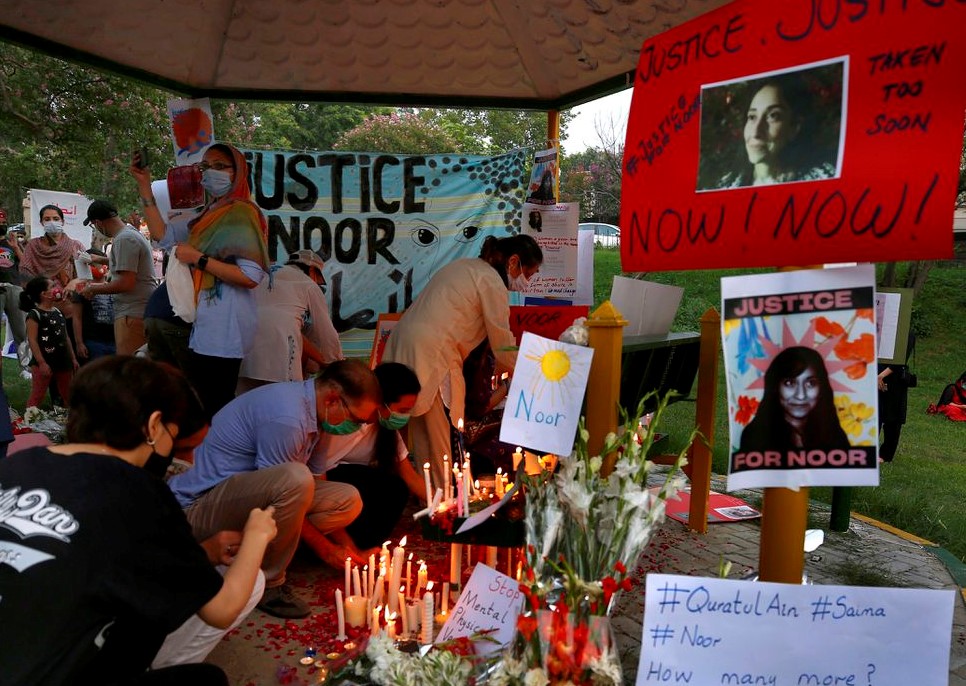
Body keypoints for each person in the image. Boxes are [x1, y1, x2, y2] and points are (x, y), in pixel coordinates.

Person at [0, 356, 276, 686]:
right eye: (175, 437)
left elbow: (90, 557)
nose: (183, 457)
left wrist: (199, 554)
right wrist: (257, 534)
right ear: (154, 425)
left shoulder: (18, 464)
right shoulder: (137, 491)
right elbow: (223, 608)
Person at [166, 359, 383, 619]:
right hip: (195, 508)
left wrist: (350, 550)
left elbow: (316, 483)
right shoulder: (287, 417)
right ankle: (269, 582)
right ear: (333, 399)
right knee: (296, 479)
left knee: (347, 499)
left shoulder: (320, 415)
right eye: (356, 419)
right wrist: (325, 549)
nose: (356, 427)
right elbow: (287, 492)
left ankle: (266, 551)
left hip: (242, 496)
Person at [382, 233, 542, 489]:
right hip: (433, 354)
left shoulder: (465, 266)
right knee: (438, 438)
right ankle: (444, 499)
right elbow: (503, 344)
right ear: (513, 262)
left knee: (421, 434)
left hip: (405, 344)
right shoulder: (491, 281)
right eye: (530, 274)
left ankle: (430, 494)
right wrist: (536, 377)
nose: (528, 282)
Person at [132, 143, 270, 415]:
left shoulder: (242, 213)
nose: (210, 173)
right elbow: (163, 235)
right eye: (206, 167)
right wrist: (144, 186)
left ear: (238, 172)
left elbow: (250, 275)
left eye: (220, 166)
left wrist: (199, 258)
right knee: (195, 405)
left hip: (225, 329)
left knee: (211, 408)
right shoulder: (207, 215)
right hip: (204, 326)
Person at [311, 362, 426, 551]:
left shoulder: (386, 429)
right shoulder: (340, 422)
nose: (404, 417)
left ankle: (365, 545)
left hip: (351, 487)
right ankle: (341, 544)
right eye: (402, 411)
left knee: (395, 487)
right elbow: (317, 476)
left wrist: (448, 505)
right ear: (383, 401)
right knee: (366, 486)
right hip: (325, 484)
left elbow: (409, 475)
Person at [237, 249, 342, 394]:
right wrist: (337, 363)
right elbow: (326, 332)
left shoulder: (261, 275)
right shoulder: (307, 283)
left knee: (246, 403)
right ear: (312, 270)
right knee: (287, 400)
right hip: (280, 353)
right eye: (317, 277)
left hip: (243, 348)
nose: (317, 282)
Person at [716, 73, 836, 189]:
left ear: (794, 127)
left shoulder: (824, 179)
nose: (756, 132)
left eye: (773, 116)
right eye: (752, 117)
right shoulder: (725, 186)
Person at [80, 199, 158, 355]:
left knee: (129, 365)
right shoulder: (130, 234)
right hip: (138, 311)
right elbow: (129, 264)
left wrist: (92, 289)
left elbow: (126, 283)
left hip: (132, 314)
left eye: (94, 226)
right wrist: (100, 259)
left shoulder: (124, 239)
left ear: (98, 222)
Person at [739, 346, 850, 453]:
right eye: (789, 383)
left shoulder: (835, 436)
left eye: (811, 383)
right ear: (775, 387)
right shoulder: (755, 436)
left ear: (822, 388)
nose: (801, 395)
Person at [19, 275, 78, 409]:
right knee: (38, 394)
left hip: (63, 360)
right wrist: (41, 363)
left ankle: (70, 417)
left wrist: (73, 358)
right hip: (44, 361)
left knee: (68, 393)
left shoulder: (58, 311)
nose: (57, 288)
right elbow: (32, 340)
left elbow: (66, 337)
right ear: (44, 294)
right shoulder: (35, 314)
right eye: (53, 286)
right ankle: (30, 418)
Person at [20, 204, 86, 287]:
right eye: (47, 219)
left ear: (62, 222)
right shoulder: (33, 246)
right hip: (41, 293)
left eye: (56, 219)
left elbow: (85, 275)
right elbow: (25, 271)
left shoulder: (75, 246)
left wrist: (74, 283)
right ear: (41, 223)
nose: (52, 222)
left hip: (70, 293)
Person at [68, 259, 117, 361]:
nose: (98, 268)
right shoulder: (81, 289)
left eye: (100, 265)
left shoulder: (114, 287)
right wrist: (79, 343)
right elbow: (77, 317)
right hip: (93, 340)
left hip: (114, 339)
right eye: (94, 265)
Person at [0, 213, 28, 362]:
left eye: (4, 222)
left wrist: (16, 247)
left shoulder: (11, 243)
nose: (2, 225)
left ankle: (26, 367)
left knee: (21, 332)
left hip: (14, 288)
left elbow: (26, 264)